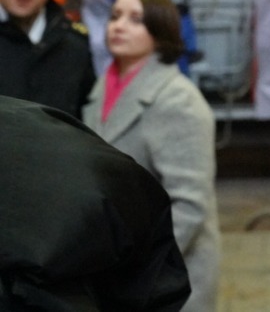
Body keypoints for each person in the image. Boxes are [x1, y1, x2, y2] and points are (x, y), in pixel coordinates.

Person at [83, 0, 219, 312]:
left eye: (135, 19)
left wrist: (138, 271)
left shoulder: (177, 100)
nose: (119, 26)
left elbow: (190, 207)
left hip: (166, 279)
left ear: (160, 32)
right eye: (115, 16)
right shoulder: (104, 87)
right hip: (117, 268)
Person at [0, 96, 190, 311]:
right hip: (99, 255)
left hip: (99, 244)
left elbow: (188, 200)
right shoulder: (31, 119)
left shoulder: (179, 100)